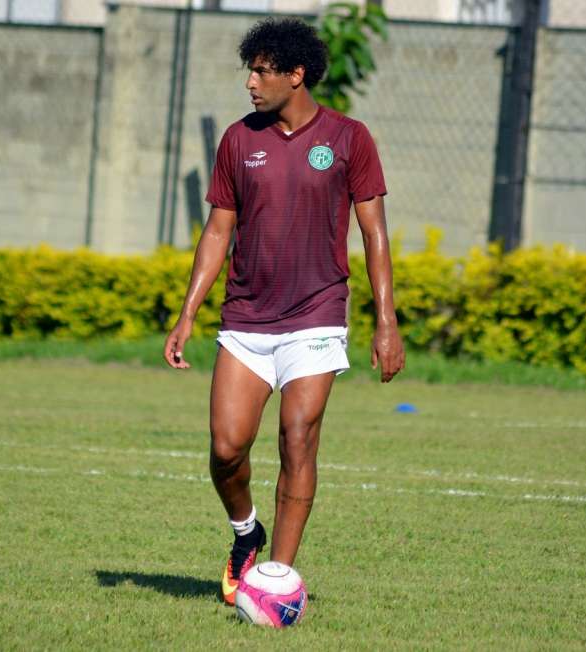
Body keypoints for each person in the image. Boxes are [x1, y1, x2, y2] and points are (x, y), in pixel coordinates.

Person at [163, 16, 404, 606]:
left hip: (318, 315)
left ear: (297, 75)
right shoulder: (239, 140)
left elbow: (373, 234)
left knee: (298, 437)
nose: (251, 82)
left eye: (262, 71)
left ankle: (277, 578)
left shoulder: (349, 139)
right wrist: (188, 312)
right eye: (250, 69)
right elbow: (218, 231)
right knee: (226, 449)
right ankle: (246, 532)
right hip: (246, 319)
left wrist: (386, 322)